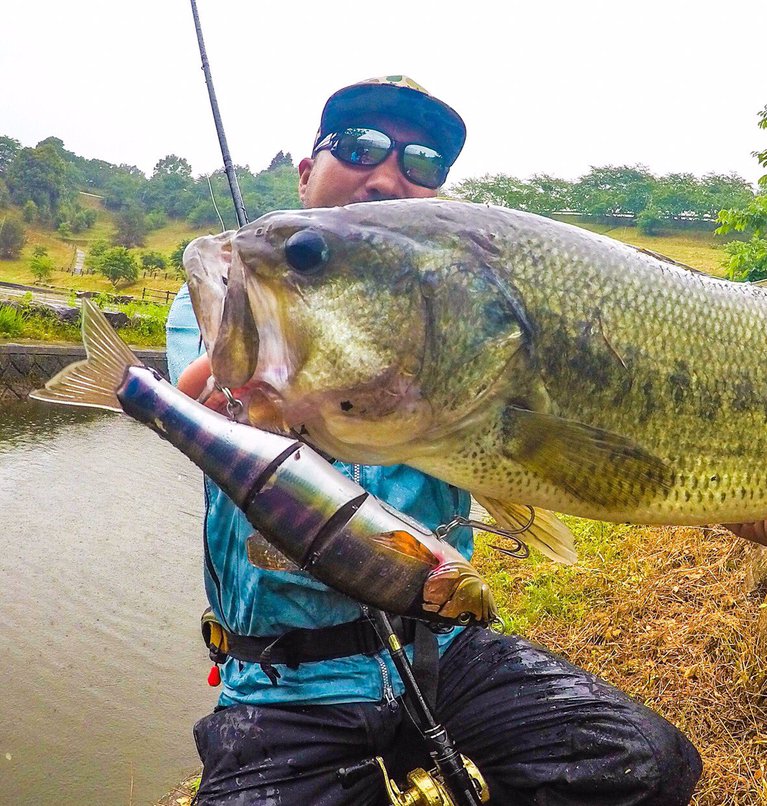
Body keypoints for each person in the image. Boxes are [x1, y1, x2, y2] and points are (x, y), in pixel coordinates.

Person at [166, 75, 703, 805]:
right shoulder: (235, 292)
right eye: (359, 147)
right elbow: (227, 392)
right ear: (304, 171)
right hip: (283, 685)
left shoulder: (462, 322)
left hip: (440, 648)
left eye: (422, 164)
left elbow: (571, 451)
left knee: (643, 763)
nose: (388, 174)